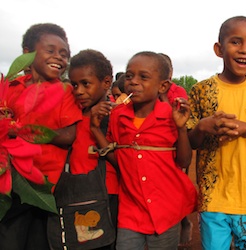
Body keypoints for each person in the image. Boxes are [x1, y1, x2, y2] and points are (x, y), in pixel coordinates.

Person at [186, 16, 246, 250]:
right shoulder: (201, 90)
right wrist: (202, 126)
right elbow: (191, 142)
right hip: (213, 197)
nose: (245, 50)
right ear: (219, 49)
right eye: (236, 42)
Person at [90, 51, 197, 250]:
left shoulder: (170, 115)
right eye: (129, 76)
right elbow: (118, 159)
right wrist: (96, 130)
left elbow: (183, 161)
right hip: (131, 210)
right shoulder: (117, 116)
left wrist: (181, 129)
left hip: (166, 209)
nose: (133, 82)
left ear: (163, 86)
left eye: (143, 77)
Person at [0, 23, 82, 250]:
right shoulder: (11, 87)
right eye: (51, 50)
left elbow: (68, 135)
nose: (59, 57)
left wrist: (24, 131)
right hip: (9, 184)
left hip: (44, 188)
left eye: (64, 54)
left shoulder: (65, 92)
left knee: (39, 241)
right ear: (27, 53)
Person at [68, 49, 119, 249]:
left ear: (106, 83)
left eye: (85, 84)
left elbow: (122, 161)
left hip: (108, 195)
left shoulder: (116, 117)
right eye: (74, 85)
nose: (78, 90)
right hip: (75, 195)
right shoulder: (72, 115)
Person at [158, 52, 194, 248]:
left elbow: (175, 117)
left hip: (176, 147)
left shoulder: (177, 91)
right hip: (155, 150)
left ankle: (184, 221)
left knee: (176, 189)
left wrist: (161, 94)